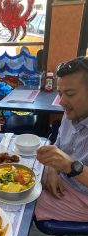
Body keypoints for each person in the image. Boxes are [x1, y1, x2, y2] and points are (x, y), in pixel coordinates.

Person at [35, 56, 88, 222]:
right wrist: (53, 170)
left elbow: (65, 161)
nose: (62, 101)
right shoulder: (70, 112)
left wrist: (68, 166)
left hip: (83, 196)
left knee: (28, 204)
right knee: (23, 175)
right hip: (64, 179)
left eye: (70, 94)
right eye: (60, 93)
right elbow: (58, 147)